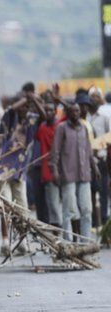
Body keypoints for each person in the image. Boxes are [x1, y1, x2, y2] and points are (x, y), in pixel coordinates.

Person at [0, 91, 46, 255]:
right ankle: (5, 243)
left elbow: (43, 116)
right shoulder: (9, 117)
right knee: (6, 207)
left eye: (27, 107)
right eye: (23, 106)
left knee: (22, 210)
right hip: (2, 171)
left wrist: (34, 100)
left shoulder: (31, 120)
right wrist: (24, 99)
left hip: (19, 172)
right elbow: (11, 109)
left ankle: (22, 242)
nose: (25, 109)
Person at [50, 93, 98, 241]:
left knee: (86, 209)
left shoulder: (83, 128)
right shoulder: (61, 128)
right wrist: (55, 171)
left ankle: (86, 242)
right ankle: (68, 241)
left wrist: (94, 167)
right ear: (67, 113)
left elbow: (88, 150)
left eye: (77, 111)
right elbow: (55, 151)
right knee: (69, 210)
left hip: (84, 174)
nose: (76, 113)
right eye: (73, 111)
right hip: (68, 174)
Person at [87, 88, 111, 226]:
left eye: (97, 96)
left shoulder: (105, 117)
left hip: (101, 160)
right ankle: (93, 223)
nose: (94, 99)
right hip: (87, 162)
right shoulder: (84, 117)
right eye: (92, 96)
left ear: (101, 99)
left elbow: (109, 136)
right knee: (89, 192)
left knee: (102, 192)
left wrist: (96, 146)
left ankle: (104, 220)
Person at [36, 102, 62, 228]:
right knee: (53, 205)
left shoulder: (61, 126)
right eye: (46, 110)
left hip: (64, 170)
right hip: (48, 173)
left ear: (56, 111)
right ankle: (57, 233)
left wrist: (59, 99)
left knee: (68, 206)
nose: (48, 113)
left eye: (51, 110)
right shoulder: (41, 128)